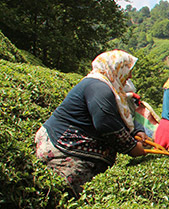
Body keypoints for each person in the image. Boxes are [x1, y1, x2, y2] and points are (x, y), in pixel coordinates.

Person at [35, 50, 147, 196]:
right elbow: (106, 123)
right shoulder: (99, 87)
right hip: (63, 149)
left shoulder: (108, 87)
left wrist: (135, 132)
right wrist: (131, 147)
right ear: (116, 68)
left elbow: (120, 114)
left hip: (69, 146)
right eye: (128, 70)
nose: (130, 76)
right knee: (66, 196)